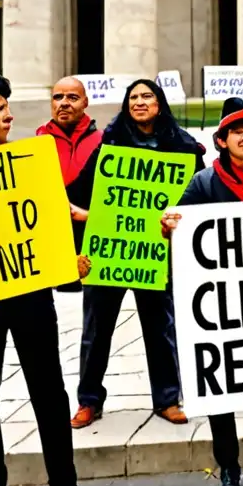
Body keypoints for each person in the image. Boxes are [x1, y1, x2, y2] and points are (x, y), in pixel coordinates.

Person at [0, 74, 98, 486]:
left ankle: (65, 483)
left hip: (31, 295)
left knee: (49, 390)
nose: (10, 114)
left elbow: (44, 221)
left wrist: (65, 261)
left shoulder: (29, 162)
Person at [161, 107, 243, 486]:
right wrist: (171, 223)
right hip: (220, 305)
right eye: (239, 132)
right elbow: (177, 222)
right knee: (223, 391)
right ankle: (229, 470)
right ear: (223, 141)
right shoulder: (204, 181)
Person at [69, 78, 204, 429]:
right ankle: (88, 400)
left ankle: (167, 399)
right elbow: (78, 196)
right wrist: (85, 221)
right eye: (133, 97)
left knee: (161, 328)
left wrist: (178, 222)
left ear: (160, 103)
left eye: (147, 96)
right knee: (96, 331)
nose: (140, 102)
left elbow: (198, 204)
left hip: (156, 255)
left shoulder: (185, 149)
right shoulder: (108, 147)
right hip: (108, 254)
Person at [36, 77, 103, 293]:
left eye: (72, 97)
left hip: (92, 250)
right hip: (52, 247)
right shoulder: (36, 145)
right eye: (58, 97)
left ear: (85, 102)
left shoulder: (104, 143)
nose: (64, 103)